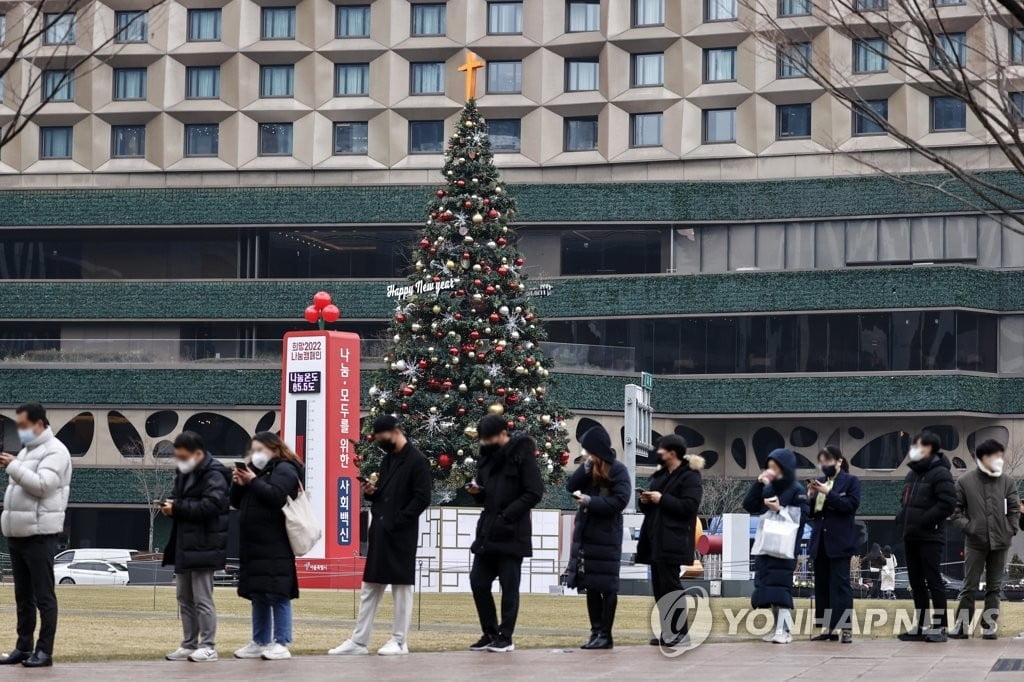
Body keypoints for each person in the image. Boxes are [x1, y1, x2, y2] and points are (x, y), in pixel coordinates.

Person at [329, 415, 431, 656]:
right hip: (381, 531)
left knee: (401, 588)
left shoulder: (417, 461)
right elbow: (385, 494)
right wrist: (372, 492)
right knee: (370, 587)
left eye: (380, 436)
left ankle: (399, 640)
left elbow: (422, 498)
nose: (378, 441)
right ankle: (359, 641)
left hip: (400, 533)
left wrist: (398, 521)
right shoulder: (389, 460)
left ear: (394, 431)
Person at [0, 403, 72, 668]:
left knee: (44, 596)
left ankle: (44, 651)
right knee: (23, 597)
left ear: (39, 423)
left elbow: (42, 486)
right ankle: (23, 646)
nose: (20, 430)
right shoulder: (29, 451)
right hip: (19, 534)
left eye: (23, 425)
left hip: (40, 534)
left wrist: (14, 466)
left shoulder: (56, 451)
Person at [466, 414, 543, 653]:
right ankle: (489, 632)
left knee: (509, 588)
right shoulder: (486, 459)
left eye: (489, 438)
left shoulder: (523, 455)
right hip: (488, 531)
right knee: (478, 582)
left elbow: (534, 492)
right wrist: (477, 492)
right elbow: (487, 494)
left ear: (502, 433)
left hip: (512, 532)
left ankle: (505, 636)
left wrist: (507, 515)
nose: (486, 443)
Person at [231, 432, 304, 660]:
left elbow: (276, 496)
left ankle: (282, 642)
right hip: (254, 545)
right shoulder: (257, 471)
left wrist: (253, 480)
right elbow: (235, 502)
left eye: (260, 450)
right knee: (258, 594)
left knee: (277, 593)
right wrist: (240, 484)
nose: (256, 455)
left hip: (276, 544)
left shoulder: (286, 469)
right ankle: (260, 640)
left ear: (274, 448)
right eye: (253, 451)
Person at [161, 431, 231, 662]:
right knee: (184, 597)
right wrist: (170, 506)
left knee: (202, 598)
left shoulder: (215, 474)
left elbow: (212, 505)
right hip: (184, 543)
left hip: (205, 545)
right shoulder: (184, 473)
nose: (180, 461)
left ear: (198, 454)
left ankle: (208, 645)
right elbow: (180, 500)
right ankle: (189, 644)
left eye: (183, 456)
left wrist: (178, 507)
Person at [564, 425, 631, 650]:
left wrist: (591, 502)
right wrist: (584, 468)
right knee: (591, 585)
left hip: (608, 535)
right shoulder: (590, 470)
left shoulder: (618, 470)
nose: (587, 455)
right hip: (588, 535)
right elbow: (570, 487)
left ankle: (606, 634)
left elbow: (620, 502)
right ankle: (595, 632)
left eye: (589, 452)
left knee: (608, 586)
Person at [636, 434, 704, 648]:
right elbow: (651, 507)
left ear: (672, 452)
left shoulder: (690, 476)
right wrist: (645, 501)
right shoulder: (661, 475)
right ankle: (668, 632)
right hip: (655, 538)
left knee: (671, 586)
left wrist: (662, 499)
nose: (658, 453)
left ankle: (681, 633)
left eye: (662, 449)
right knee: (659, 588)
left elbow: (689, 506)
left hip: (674, 539)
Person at [949, 439, 1019, 639]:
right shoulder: (964, 481)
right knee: (969, 586)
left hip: (1001, 542)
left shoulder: (1007, 481)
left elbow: (1014, 509)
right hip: (975, 543)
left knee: (995, 587)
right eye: (994, 455)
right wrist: (969, 527)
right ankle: (962, 626)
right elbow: (955, 512)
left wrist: (1011, 528)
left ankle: (989, 626)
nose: (998, 459)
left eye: (1000, 455)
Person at [743, 448, 810, 645]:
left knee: (781, 590)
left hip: (785, 547)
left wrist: (780, 509)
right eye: (769, 467)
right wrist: (758, 483)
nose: (771, 470)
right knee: (769, 590)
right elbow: (749, 504)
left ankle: (785, 630)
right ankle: (776, 628)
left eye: (775, 467)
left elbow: (803, 517)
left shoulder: (797, 490)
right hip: (766, 545)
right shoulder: (768, 487)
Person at [895, 431, 956, 643]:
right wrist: (901, 517)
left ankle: (940, 626)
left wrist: (924, 520)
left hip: (930, 536)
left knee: (933, 580)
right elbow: (905, 502)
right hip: (911, 536)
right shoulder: (912, 474)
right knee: (916, 582)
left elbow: (948, 504)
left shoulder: (940, 473)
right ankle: (920, 626)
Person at [807, 446, 861, 643]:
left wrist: (828, 493)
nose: (825, 465)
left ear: (839, 461)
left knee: (841, 586)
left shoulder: (851, 481)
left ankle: (845, 628)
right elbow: (812, 514)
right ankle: (828, 628)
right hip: (820, 542)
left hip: (840, 542)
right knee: (822, 586)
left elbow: (850, 506)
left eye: (828, 461)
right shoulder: (821, 482)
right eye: (822, 461)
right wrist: (811, 498)